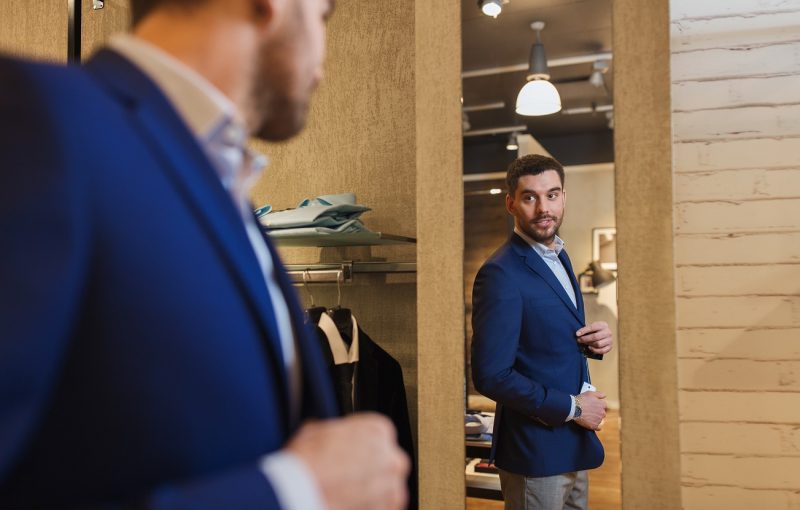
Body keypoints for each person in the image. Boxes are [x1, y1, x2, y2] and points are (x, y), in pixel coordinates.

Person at [0, 0, 409, 508]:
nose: (322, 59)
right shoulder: (29, 118)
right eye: (322, 17)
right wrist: (294, 492)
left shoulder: (223, 185)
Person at [470, 154, 614, 510]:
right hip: (533, 451)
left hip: (573, 443)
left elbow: (543, 339)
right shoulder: (500, 273)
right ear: (511, 203)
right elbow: (491, 376)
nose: (543, 208)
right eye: (530, 197)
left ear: (564, 196)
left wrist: (593, 343)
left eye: (551, 195)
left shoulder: (560, 256)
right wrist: (573, 407)